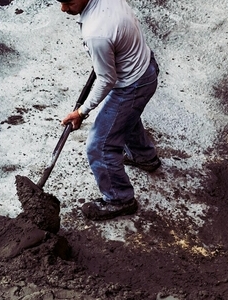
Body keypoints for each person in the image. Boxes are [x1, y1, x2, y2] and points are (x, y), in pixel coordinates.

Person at [57, 0, 162, 221]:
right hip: (146, 65)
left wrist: (82, 112)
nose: (64, 9)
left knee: (100, 147)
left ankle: (119, 199)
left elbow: (106, 79)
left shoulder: (97, 33)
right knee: (124, 119)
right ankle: (144, 157)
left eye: (69, 2)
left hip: (132, 85)